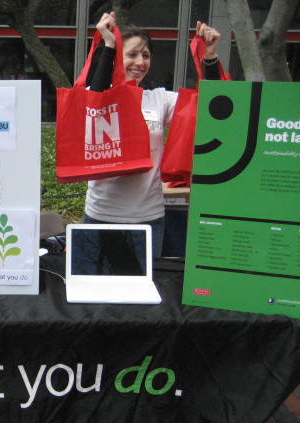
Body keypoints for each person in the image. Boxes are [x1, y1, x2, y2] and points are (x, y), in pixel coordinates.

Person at [84, 12, 222, 256]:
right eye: (132, 54)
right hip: (100, 216)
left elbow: (209, 108)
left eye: (146, 55)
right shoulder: (93, 95)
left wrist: (209, 59)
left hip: (149, 219)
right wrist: (108, 43)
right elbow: (97, 98)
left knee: (144, 293)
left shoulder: (158, 99)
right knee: (95, 292)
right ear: (116, 58)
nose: (140, 62)